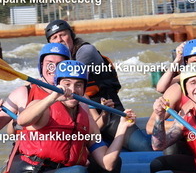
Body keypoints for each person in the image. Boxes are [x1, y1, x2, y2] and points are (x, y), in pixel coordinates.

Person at [6, 60, 136, 173]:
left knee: (115, 163)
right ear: (57, 85)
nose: (73, 90)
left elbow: (107, 164)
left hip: (64, 172)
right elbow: (22, 120)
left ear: (84, 88)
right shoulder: (43, 106)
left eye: (78, 85)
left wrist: (122, 127)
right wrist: (53, 97)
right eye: (67, 84)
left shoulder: (86, 119)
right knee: (78, 172)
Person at [44, 19, 151, 151]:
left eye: (63, 34)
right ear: (50, 43)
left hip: (109, 113)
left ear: (71, 35)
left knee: (144, 146)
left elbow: (73, 79)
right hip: (81, 117)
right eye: (54, 37)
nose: (60, 39)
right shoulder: (51, 63)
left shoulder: (86, 51)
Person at [0, 43, 71, 133]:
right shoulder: (23, 93)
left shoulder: (74, 93)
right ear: (41, 66)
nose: (54, 69)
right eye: (49, 64)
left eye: (60, 65)